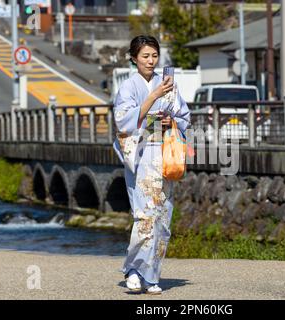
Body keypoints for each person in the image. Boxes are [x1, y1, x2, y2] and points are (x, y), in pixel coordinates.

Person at [112, 35, 190, 295]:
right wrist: (153, 97)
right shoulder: (128, 87)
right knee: (144, 216)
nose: (151, 60)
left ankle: (151, 274)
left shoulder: (168, 84)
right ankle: (134, 271)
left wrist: (173, 122)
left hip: (164, 154)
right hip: (142, 155)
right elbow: (123, 123)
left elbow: (184, 115)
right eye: (145, 56)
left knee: (163, 218)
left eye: (154, 56)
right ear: (134, 58)